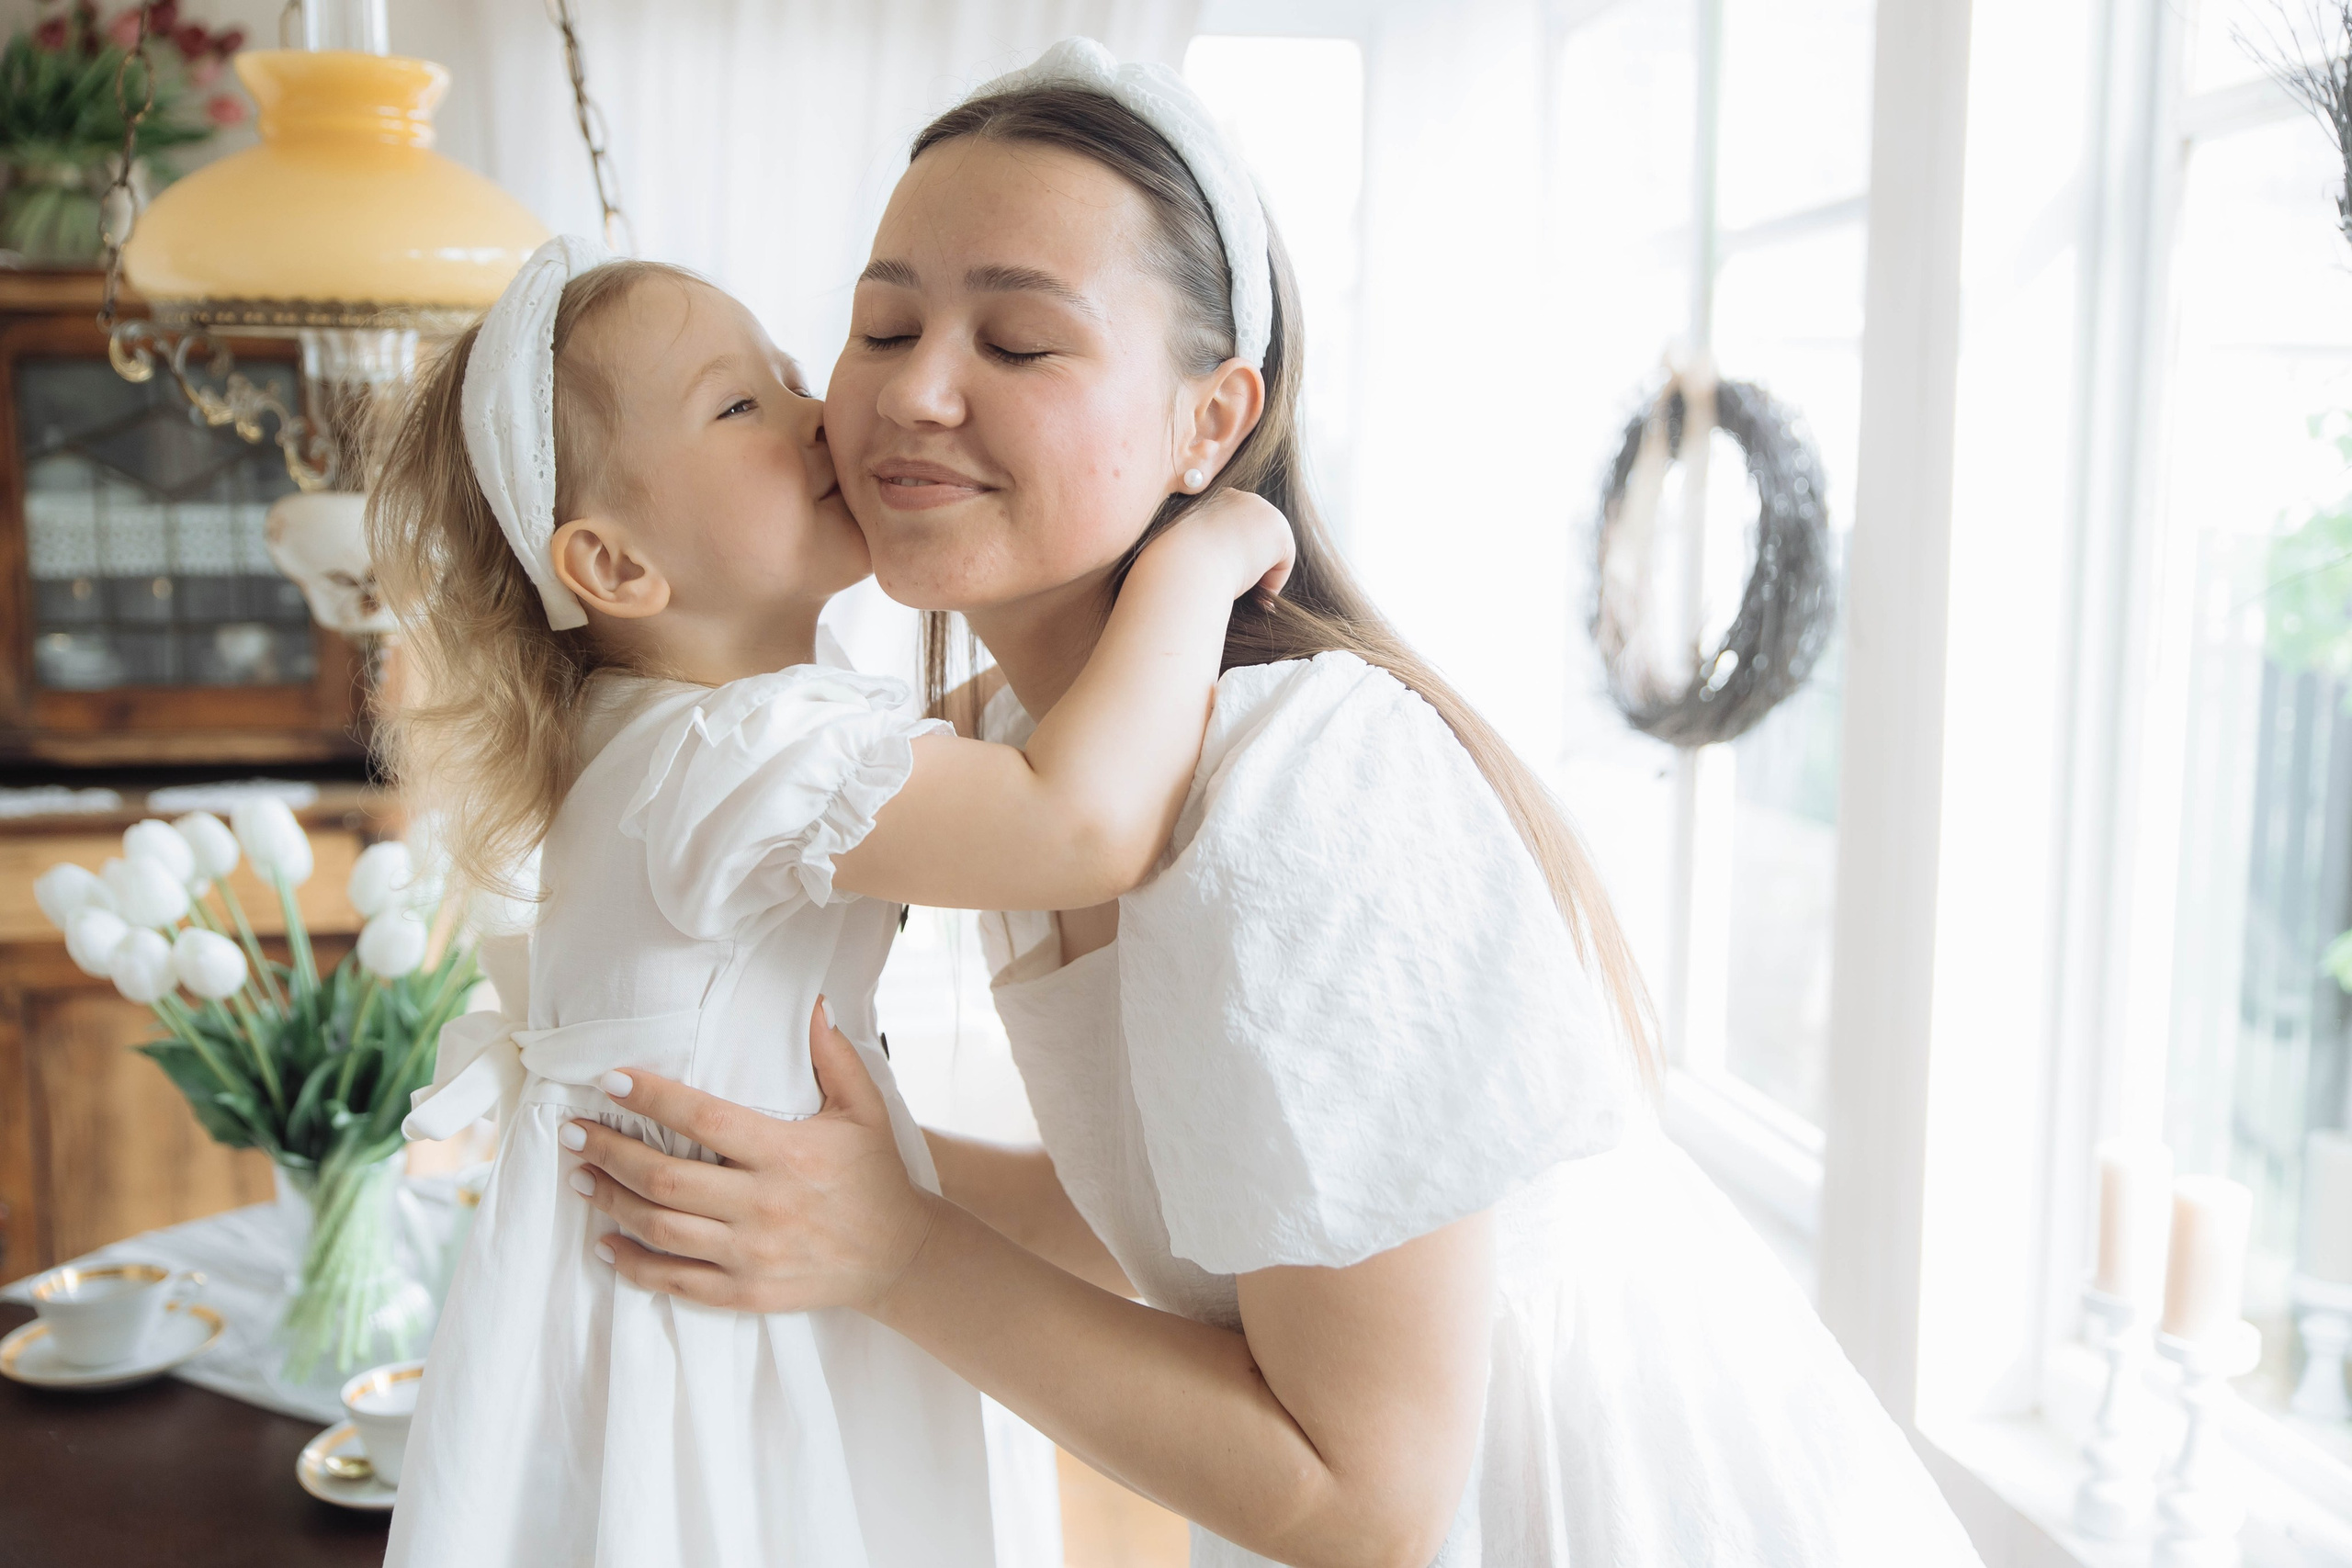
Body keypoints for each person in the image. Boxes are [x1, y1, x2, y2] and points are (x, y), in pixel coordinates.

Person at [565, 38, 1990, 1568]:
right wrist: (795, 1173)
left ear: (1208, 423)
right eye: (882, 323)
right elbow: (1210, 1191)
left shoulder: (1308, 787)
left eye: (1022, 344)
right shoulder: (1021, 749)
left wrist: (895, 1250)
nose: (914, 390)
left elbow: (1368, 1498)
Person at [366, 234, 1292, 1568]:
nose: (818, 416)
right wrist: (1197, 563)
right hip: (726, 1321)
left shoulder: (674, 743)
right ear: (617, 566)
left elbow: (991, 747)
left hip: (705, 1274)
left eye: (792, 376)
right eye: (739, 405)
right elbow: (1073, 819)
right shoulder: (733, 755)